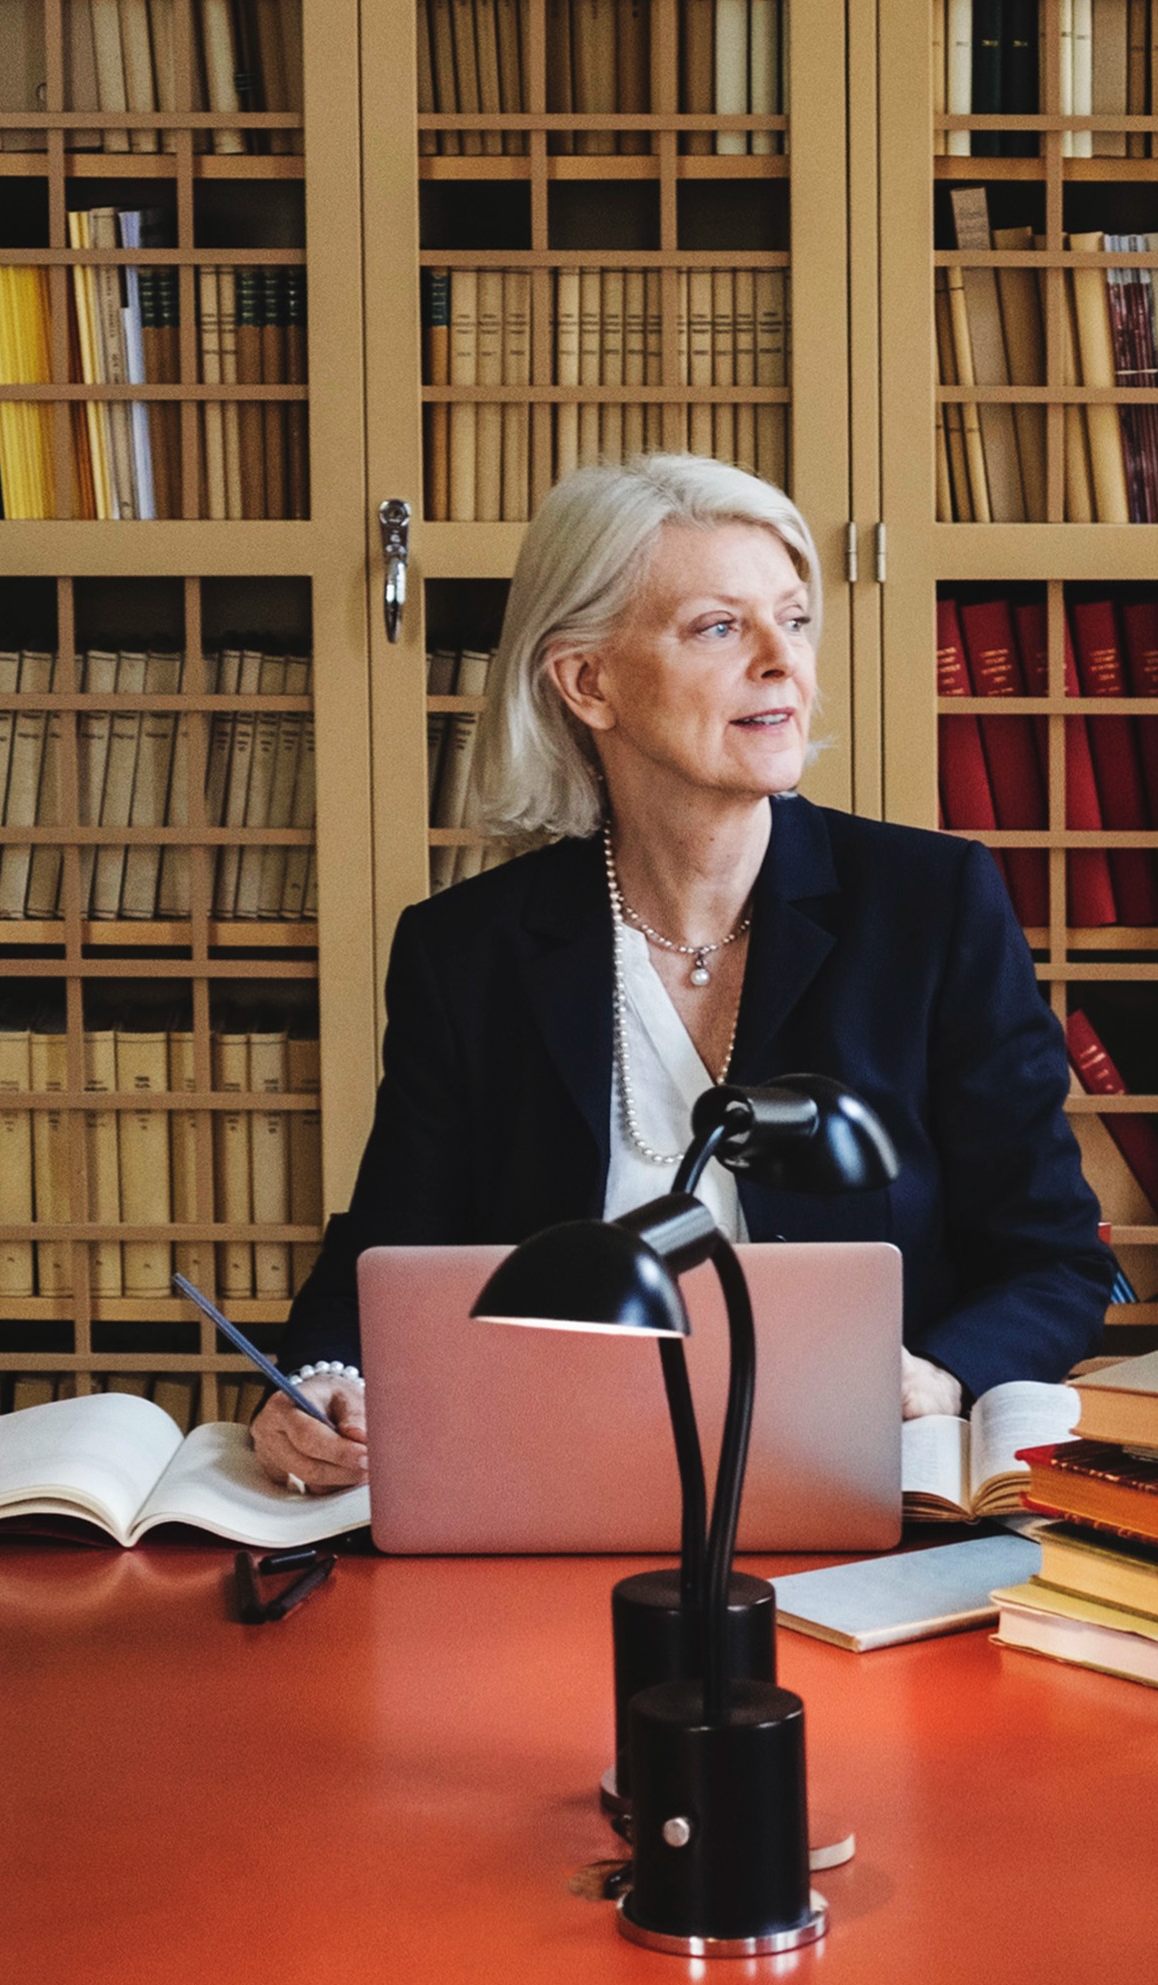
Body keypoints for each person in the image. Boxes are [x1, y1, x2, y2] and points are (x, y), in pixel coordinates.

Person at [253, 455, 1112, 1495]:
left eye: (793, 621)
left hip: (867, 1484)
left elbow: (1055, 1258)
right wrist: (323, 1384)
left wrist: (936, 1376)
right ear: (588, 681)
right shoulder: (468, 952)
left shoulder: (932, 906)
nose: (781, 663)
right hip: (556, 1490)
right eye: (719, 627)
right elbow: (388, 1254)